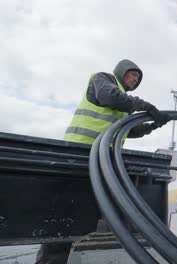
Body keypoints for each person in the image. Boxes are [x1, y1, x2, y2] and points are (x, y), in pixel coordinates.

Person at [35, 59, 169, 264]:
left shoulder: (123, 106)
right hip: (77, 155)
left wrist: (153, 125)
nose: (135, 79)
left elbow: (130, 130)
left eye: (138, 78)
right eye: (132, 74)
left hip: (102, 163)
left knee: (89, 215)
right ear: (121, 71)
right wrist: (145, 106)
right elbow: (109, 96)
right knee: (64, 216)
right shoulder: (103, 80)